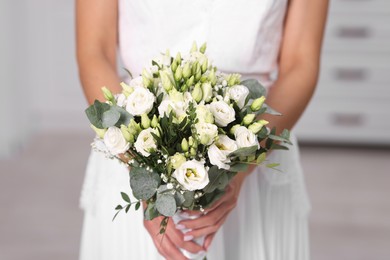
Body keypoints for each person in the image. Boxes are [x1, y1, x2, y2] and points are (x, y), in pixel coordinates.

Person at [76, 0, 328, 259]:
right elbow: (95, 53)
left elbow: (301, 64)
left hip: (257, 147)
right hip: (137, 145)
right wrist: (145, 172)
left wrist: (243, 164)